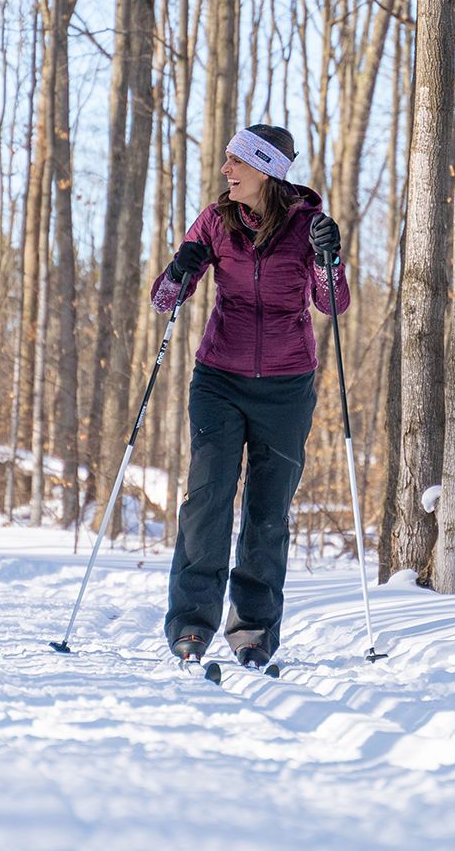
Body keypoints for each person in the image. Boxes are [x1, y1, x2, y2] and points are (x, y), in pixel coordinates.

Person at [149, 123, 347, 669]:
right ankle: (191, 626)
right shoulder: (215, 220)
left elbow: (332, 304)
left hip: (287, 387)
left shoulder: (310, 225)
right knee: (206, 499)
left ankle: (254, 631)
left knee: (268, 511)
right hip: (218, 379)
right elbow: (164, 298)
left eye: (236, 161)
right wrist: (180, 268)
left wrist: (332, 260)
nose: (225, 170)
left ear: (266, 171)